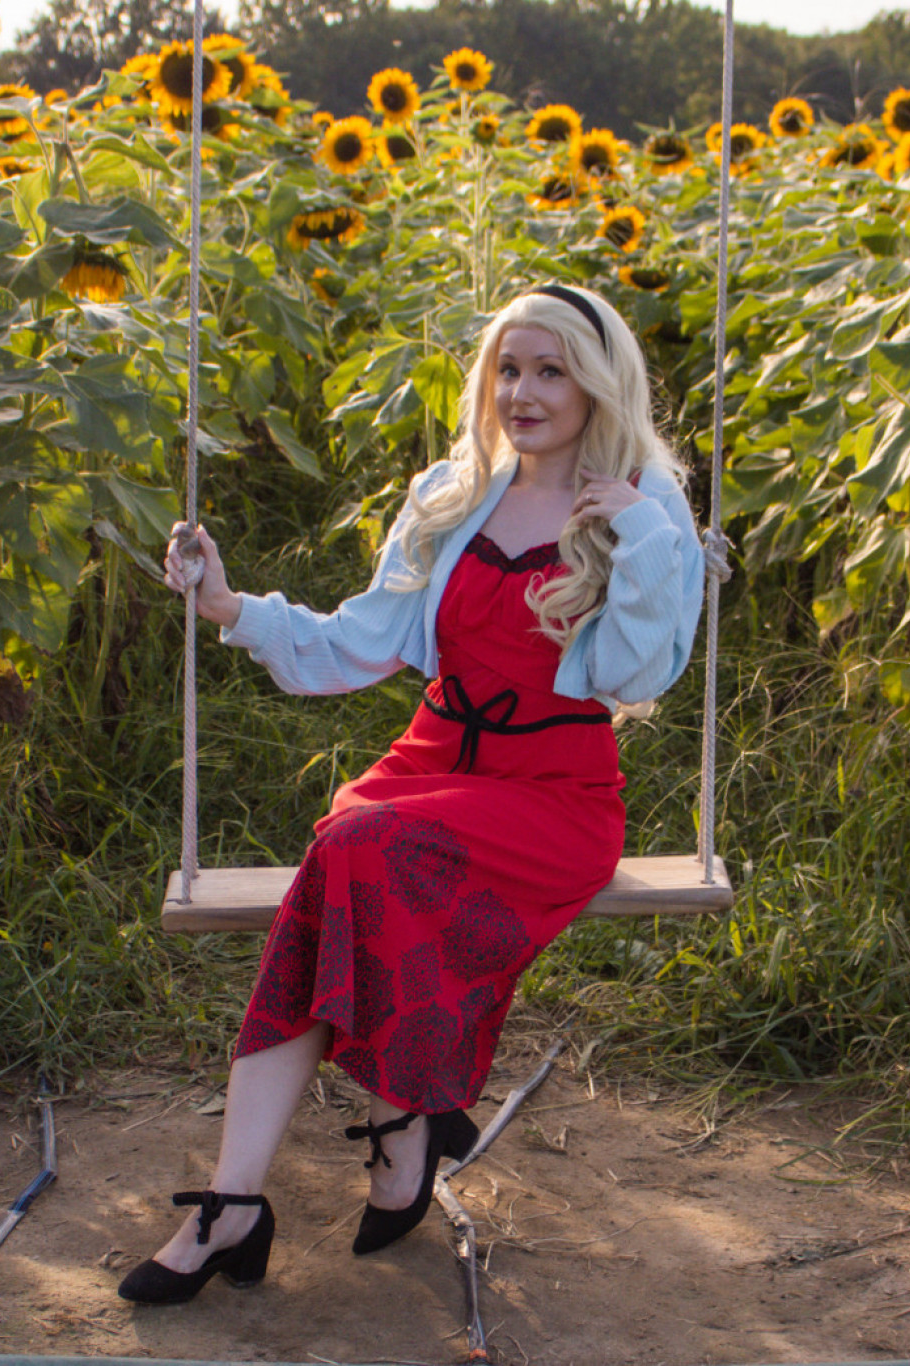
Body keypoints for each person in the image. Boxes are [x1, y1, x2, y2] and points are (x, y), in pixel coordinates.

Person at [118, 284, 705, 1305]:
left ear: (596, 383)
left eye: (550, 370)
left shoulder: (642, 511)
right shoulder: (453, 490)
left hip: (554, 791)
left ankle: (401, 1119)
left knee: (361, 846)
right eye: (508, 369)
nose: (522, 391)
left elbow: (638, 677)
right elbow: (358, 641)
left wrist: (648, 536)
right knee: (347, 857)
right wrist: (227, 606)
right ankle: (237, 1197)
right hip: (431, 761)